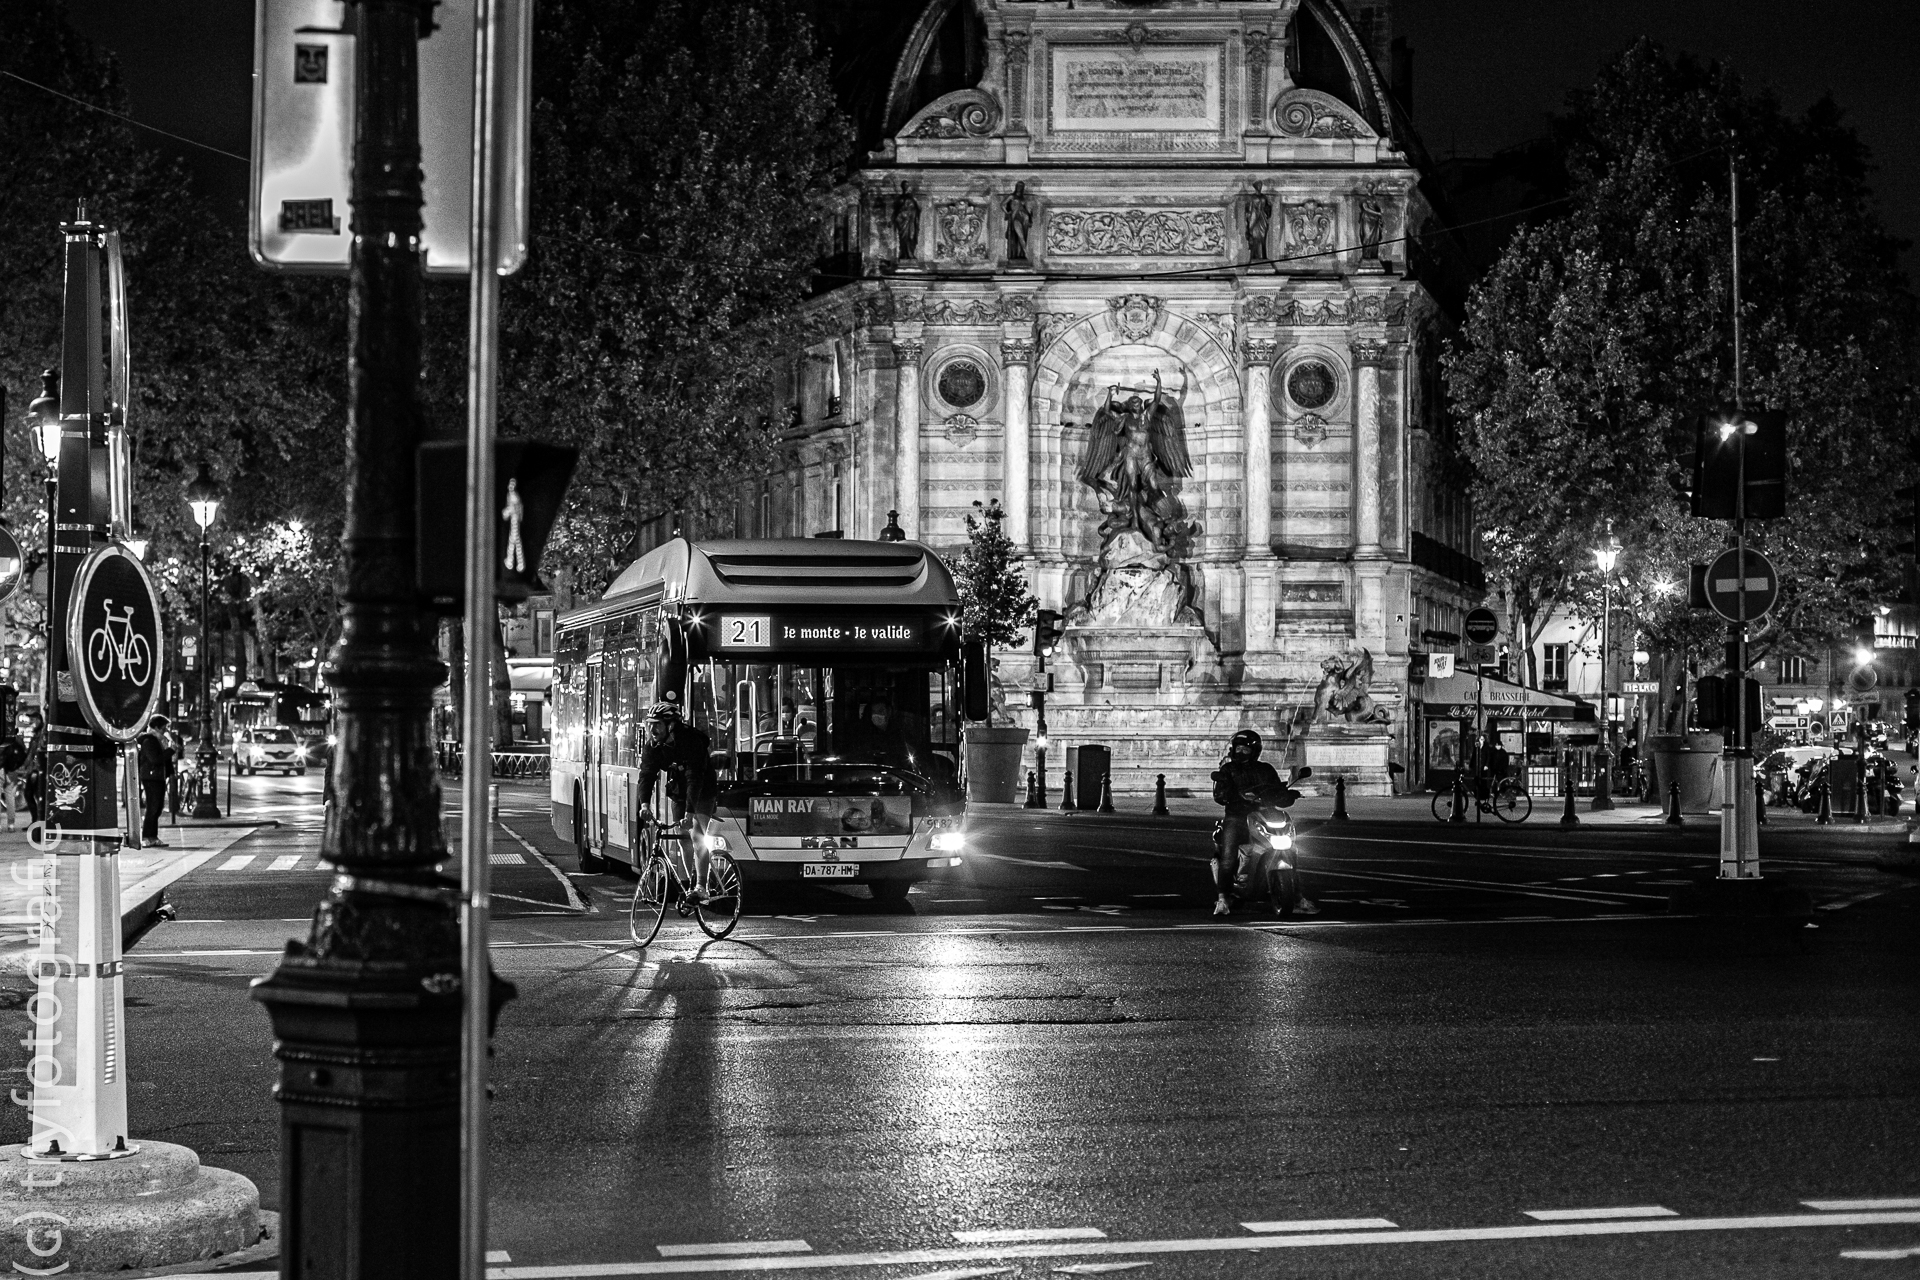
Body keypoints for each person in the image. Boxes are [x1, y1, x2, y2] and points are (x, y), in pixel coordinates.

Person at [1210, 729, 1316, 918]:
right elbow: (1220, 794)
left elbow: (1277, 790)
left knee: (1292, 851)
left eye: (1245, 749)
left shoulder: (1265, 769)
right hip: (1237, 816)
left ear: (1255, 751)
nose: (1241, 752)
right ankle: (1223, 899)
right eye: (1238, 748)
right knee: (1228, 858)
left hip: (1265, 814)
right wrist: (1228, 795)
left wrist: (1288, 795)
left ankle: (1298, 897)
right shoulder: (1228, 770)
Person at [637, 702, 718, 881]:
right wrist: (645, 805)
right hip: (679, 791)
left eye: (657, 724)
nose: (652, 729)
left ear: (671, 725)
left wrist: (690, 813)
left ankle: (701, 887)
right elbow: (646, 775)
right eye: (650, 724)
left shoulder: (691, 741)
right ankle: (689, 883)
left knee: (697, 835)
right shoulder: (653, 746)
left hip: (703, 790)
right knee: (682, 838)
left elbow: (694, 778)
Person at [136, 715, 176, 846]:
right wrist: (170, 750)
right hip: (151, 777)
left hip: (157, 777)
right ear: (157, 728)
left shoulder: (158, 740)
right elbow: (155, 759)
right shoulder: (149, 741)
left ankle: (153, 836)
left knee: (157, 808)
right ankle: (147, 836)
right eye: (164, 728)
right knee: (152, 807)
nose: (166, 731)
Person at [0, 729, 26, 831]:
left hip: (1, 769)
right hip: (12, 771)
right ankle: (11, 825)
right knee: (10, 798)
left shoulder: (3, 740)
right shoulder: (18, 741)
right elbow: (24, 755)